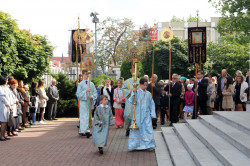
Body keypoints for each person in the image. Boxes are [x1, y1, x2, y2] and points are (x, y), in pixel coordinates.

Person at [128, 78, 156, 151]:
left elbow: (152, 104)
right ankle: (134, 145)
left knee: (148, 129)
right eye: (144, 85)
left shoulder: (148, 94)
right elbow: (131, 101)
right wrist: (133, 93)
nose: (145, 87)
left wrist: (152, 114)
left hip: (146, 115)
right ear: (140, 85)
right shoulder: (136, 92)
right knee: (137, 130)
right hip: (137, 115)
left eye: (146, 85)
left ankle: (149, 145)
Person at [76, 69, 97, 138]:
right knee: (83, 117)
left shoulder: (91, 84)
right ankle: (85, 131)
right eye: (85, 74)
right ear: (82, 75)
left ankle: (84, 130)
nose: (87, 75)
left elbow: (95, 93)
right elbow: (78, 94)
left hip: (89, 102)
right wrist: (85, 91)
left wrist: (92, 96)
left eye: (88, 74)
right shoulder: (80, 84)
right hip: (83, 102)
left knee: (88, 116)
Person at [0, 76, 12, 141]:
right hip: (3, 106)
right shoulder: (0, 88)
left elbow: (9, 97)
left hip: (7, 107)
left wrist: (10, 104)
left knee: (5, 122)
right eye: (6, 80)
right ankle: (1, 136)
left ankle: (4, 135)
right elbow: (2, 98)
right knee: (3, 122)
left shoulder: (6, 87)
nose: (7, 81)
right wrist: (8, 104)